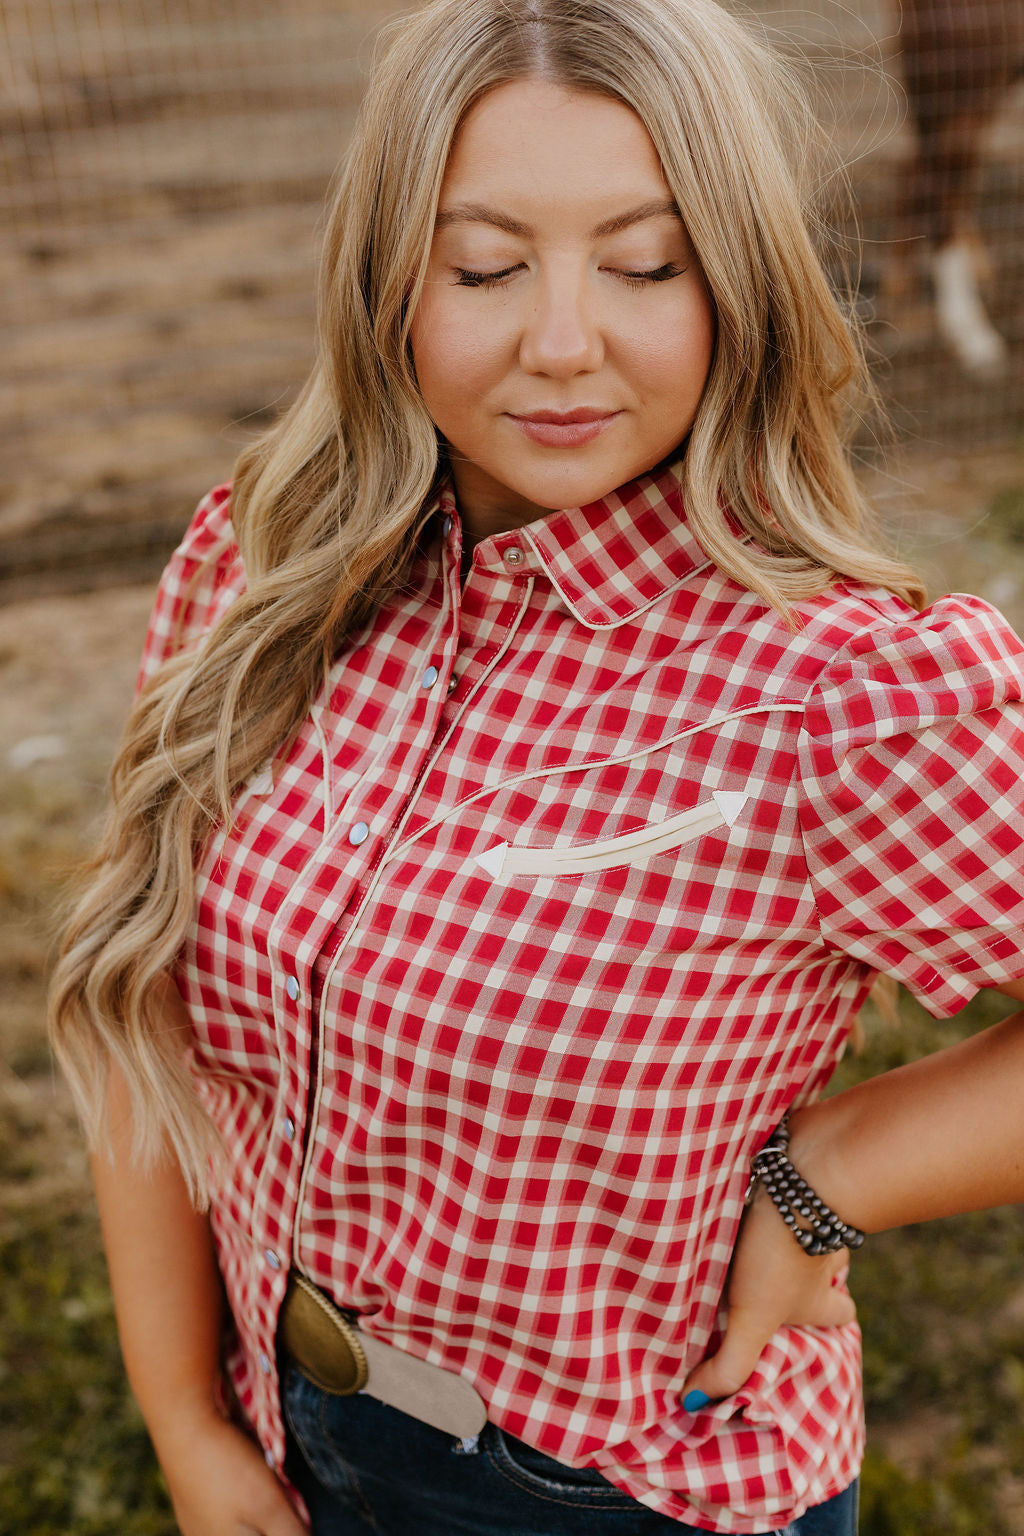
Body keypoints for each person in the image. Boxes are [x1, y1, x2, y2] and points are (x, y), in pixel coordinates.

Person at [48, 0, 1024, 1532]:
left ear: (740, 283)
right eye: (486, 266)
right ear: (390, 282)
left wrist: (835, 1169)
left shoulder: (844, 692)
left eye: (646, 265)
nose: (563, 343)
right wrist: (186, 1419)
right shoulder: (260, 575)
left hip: (618, 1493)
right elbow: (145, 1011)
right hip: (283, 1432)